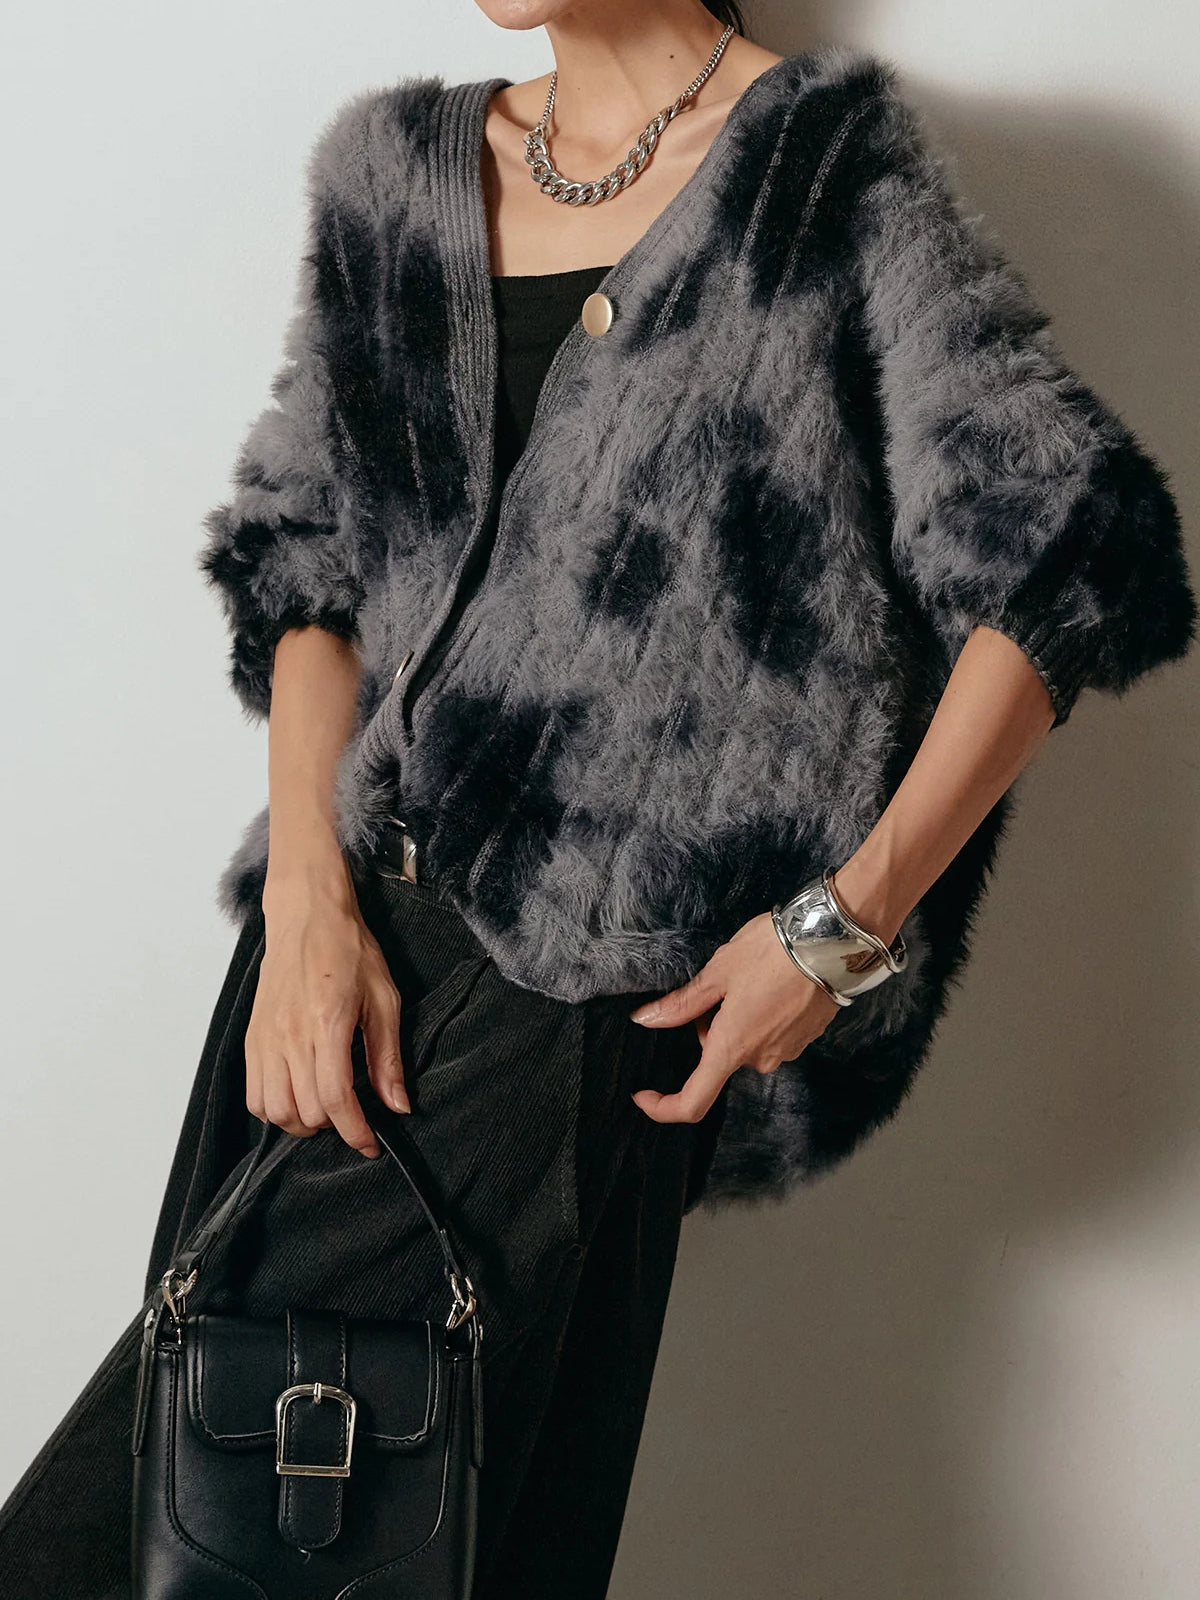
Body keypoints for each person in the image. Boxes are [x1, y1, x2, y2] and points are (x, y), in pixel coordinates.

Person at [1, 2, 1194, 1596]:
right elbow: (306, 569)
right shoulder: (397, 172)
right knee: (262, 1526)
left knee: (175, 1552)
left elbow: (1069, 554)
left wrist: (837, 933)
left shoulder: (820, 177)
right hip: (321, 982)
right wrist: (304, 903)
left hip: (569, 1012)